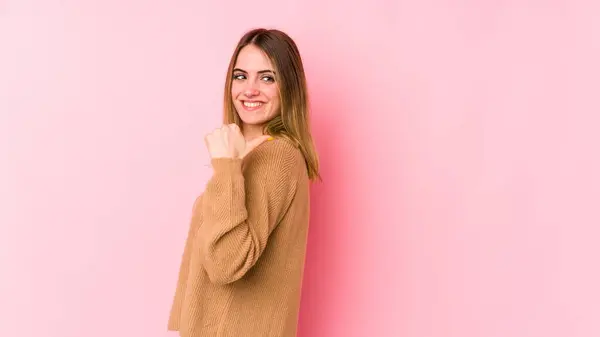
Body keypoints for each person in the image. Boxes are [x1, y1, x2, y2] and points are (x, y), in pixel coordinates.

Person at [167, 28, 320, 337]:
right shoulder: (248, 155)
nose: (250, 89)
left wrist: (225, 166)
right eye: (240, 76)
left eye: (267, 78)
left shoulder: (277, 156)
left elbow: (226, 264)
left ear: (287, 87)